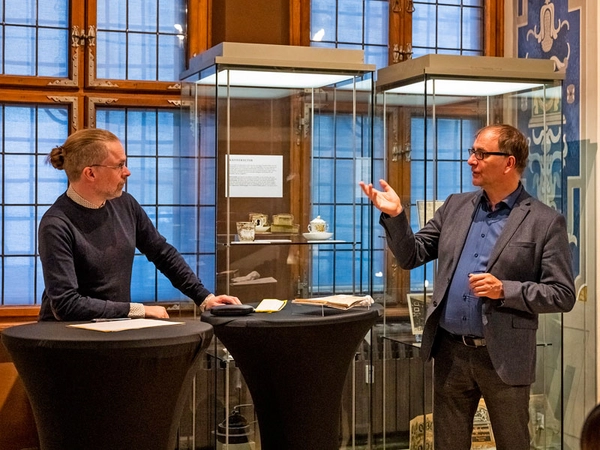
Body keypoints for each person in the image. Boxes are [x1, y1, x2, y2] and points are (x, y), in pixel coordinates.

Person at [360, 124, 575, 450]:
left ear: (508, 162)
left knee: (514, 444)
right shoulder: (455, 206)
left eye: (481, 153)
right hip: (450, 353)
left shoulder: (544, 221)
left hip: (503, 357)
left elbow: (562, 293)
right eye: (472, 152)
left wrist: (506, 289)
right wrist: (396, 215)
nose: (471, 160)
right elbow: (411, 255)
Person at [38, 128, 241, 321]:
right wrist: (137, 310)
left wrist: (204, 298)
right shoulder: (56, 224)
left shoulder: (125, 203)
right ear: (90, 173)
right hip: (66, 338)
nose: (127, 172)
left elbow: (162, 253)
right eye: (119, 165)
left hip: (113, 327)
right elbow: (66, 305)